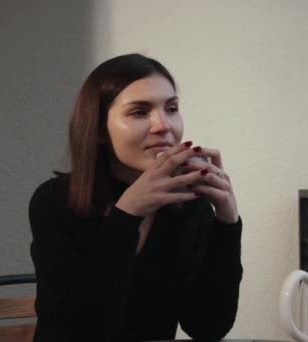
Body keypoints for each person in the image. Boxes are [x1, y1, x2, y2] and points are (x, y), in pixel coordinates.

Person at [28, 53, 243, 342]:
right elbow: (80, 329)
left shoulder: (190, 205)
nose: (163, 125)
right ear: (100, 129)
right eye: (140, 112)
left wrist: (228, 223)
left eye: (171, 108)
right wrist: (128, 212)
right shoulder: (55, 202)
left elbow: (208, 328)